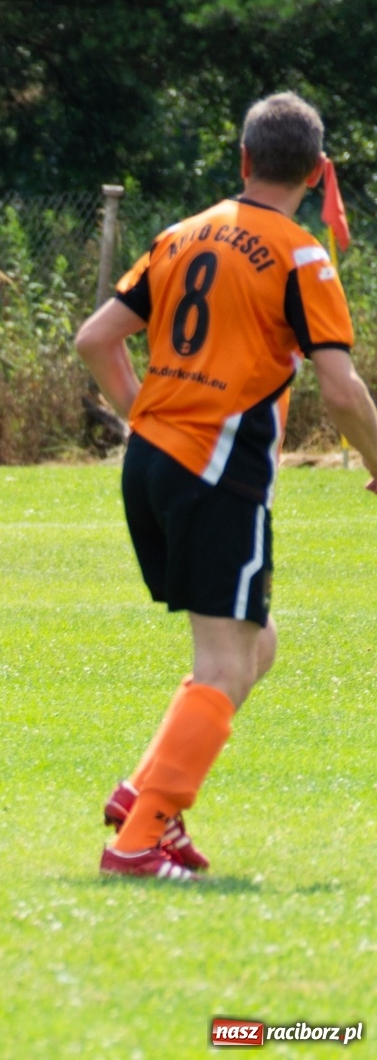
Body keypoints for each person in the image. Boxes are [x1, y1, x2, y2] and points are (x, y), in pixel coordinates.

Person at [74, 92, 377, 880]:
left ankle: (145, 791)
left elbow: (97, 340)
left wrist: (151, 418)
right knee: (224, 662)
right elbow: (341, 392)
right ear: (316, 174)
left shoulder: (179, 235)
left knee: (255, 646)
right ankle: (138, 841)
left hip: (149, 462)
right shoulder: (301, 254)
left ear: (243, 161)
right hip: (215, 468)